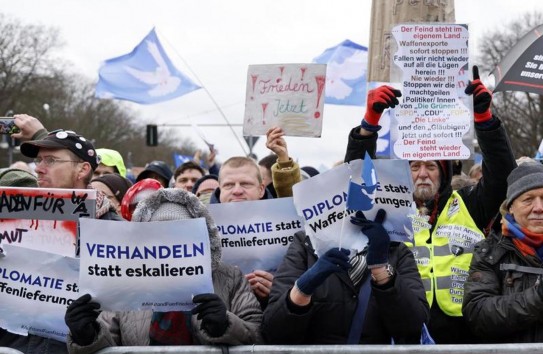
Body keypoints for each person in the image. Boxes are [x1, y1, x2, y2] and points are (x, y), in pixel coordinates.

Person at [343, 66, 517, 343]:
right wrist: (369, 125)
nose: (422, 173)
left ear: (444, 172)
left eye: (431, 166)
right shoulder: (390, 209)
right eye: (414, 166)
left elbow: (503, 175)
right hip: (406, 325)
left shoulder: (470, 203)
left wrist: (484, 120)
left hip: (468, 329)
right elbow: (356, 182)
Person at [64, 188, 263, 352]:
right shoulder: (124, 281)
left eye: (179, 231)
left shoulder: (229, 277)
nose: (168, 241)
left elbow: (258, 336)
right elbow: (108, 344)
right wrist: (87, 334)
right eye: (158, 233)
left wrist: (225, 324)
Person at [262, 209, 429, 344]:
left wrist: (381, 269)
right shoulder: (305, 243)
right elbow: (274, 332)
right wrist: (303, 288)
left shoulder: (396, 250)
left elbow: (413, 329)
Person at [463, 162, 543, 342]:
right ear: (511, 208)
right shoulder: (490, 251)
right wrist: (538, 298)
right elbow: (477, 314)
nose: (538, 208)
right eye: (528, 199)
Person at [209, 156, 275, 308]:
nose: (237, 191)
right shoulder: (200, 229)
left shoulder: (286, 227)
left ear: (261, 189)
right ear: (219, 190)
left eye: (245, 184)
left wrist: (278, 290)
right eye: (229, 185)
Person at [19, 128, 122, 221]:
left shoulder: (114, 229)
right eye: (39, 160)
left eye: (51, 160)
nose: (37, 169)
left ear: (82, 170)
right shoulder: (21, 215)